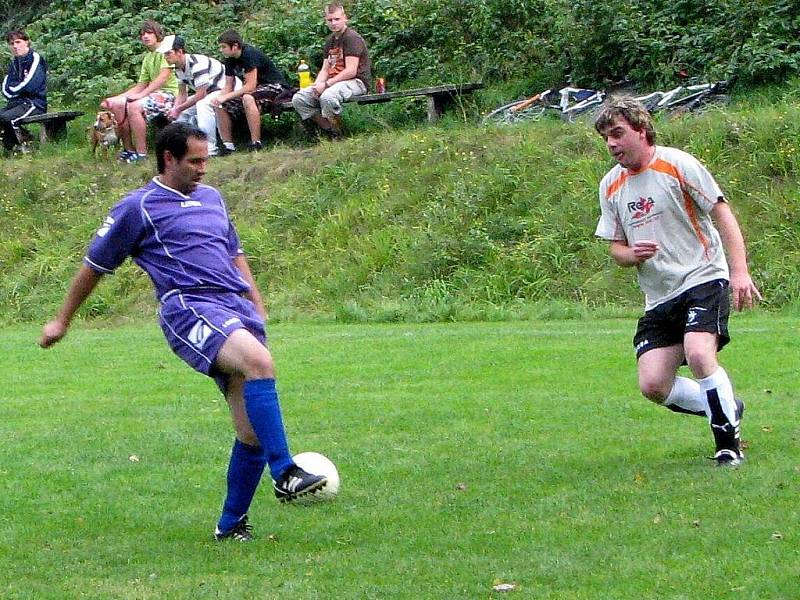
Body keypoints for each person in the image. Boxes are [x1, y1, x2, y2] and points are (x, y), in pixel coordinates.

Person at [39, 122, 328, 541]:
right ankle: (284, 471)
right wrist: (61, 320)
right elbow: (94, 266)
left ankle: (230, 526)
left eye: (206, 160)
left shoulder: (212, 198)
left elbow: (234, 254)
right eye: (195, 161)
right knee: (260, 363)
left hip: (233, 307)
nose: (203, 169)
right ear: (168, 158)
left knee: (250, 430)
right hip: (188, 306)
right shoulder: (138, 207)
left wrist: (256, 305)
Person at [593, 96, 761, 467]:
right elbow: (615, 249)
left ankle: (727, 447)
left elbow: (723, 214)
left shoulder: (678, 164)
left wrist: (739, 271)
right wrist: (632, 254)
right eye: (606, 137)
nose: (611, 143)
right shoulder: (610, 186)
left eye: (618, 133)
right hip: (659, 295)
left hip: (703, 276)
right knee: (653, 385)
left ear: (641, 130)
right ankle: (727, 406)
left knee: (701, 353)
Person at [101, 20, 179, 164]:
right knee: (117, 105)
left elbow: (162, 79)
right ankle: (129, 149)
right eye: (143, 34)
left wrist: (141, 96)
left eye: (149, 33)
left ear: (157, 34)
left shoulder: (165, 52)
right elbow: (140, 85)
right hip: (152, 95)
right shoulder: (148, 58)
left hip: (170, 94)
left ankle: (141, 153)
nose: (145, 36)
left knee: (134, 106)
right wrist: (115, 99)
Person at [291, 3, 371, 137]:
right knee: (299, 98)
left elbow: (351, 71)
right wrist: (317, 85)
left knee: (328, 96)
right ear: (326, 21)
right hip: (334, 82)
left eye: (337, 19)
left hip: (356, 82)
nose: (333, 23)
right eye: (330, 20)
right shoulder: (330, 41)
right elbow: (325, 69)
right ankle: (329, 130)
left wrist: (326, 85)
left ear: (345, 18)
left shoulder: (352, 38)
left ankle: (338, 132)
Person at [158, 34, 240, 157]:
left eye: (168, 53)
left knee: (203, 105)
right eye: (165, 54)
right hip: (210, 92)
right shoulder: (178, 68)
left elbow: (201, 94)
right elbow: (182, 94)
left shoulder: (197, 64)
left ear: (179, 52)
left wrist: (179, 108)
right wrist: (175, 110)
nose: (166, 57)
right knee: (181, 113)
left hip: (227, 89)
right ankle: (181, 148)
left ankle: (211, 148)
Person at [212, 30, 289, 153]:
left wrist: (225, 97)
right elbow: (228, 86)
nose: (221, 50)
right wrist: (219, 98)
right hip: (257, 90)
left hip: (275, 87)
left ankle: (255, 142)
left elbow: (250, 86)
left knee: (248, 97)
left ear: (235, 46)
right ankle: (228, 146)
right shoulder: (229, 60)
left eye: (223, 47)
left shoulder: (249, 54)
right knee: (221, 105)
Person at [1, 29, 47, 153]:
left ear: (27, 42)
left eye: (18, 42)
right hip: (17, 103)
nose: (15, 46)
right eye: (12, 43)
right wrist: (15, 91)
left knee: (6, 118)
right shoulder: (14, 63)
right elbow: (5, 88)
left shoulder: (35, 58)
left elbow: (31, 85)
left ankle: (22, 146)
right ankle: (19, 145)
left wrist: (15, 89)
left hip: (34, 104)